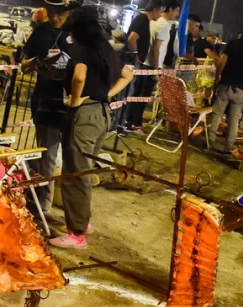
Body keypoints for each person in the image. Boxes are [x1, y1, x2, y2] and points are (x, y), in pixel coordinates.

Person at [49, 6, 133, 249]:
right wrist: (105, 94)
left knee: (74, 173)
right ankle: (82, 222)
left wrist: (74, 101)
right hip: (102, 115)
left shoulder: (81, 51)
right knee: (84, 172)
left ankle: (76, 234)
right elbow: (127, 75)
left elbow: (78, 77)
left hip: (84, 116)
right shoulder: (106, 49)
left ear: (78, 31)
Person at [21, 0, 76, 216]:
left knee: (73, 157)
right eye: (52, 13)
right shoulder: (41, 32)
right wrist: (35, 63)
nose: (55, 18)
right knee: (47, 154)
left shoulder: (76, 33)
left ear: (69, 12)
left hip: (72, 102)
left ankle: (73, 209)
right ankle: (42, 205)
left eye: (60, 14)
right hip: (45, 101)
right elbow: (23, 64)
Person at [125, 0, 180, 131]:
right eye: (177, 10)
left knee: (136, 95)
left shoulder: (152, 22)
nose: (177, 14)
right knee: (142, 97)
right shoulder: (163, 25)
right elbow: (156, 48)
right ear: (170, 9)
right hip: (151, 65)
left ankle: (129, 120)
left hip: (144, 63)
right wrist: (156, 70)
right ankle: (136, 123)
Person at [207, 22, 243, 149]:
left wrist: (216, 79)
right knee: (234, 118)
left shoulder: (232, 43)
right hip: (241, 90)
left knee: (217, 114)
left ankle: (210, 139)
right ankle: (230, 144)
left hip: (226, 84)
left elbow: (222, 62)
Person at [123, 0, 164, 130]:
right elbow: (132, 38)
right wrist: (136, 55)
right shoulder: (142, 19)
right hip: (131, 62)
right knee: (128, 92)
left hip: (133, 61)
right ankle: (122, 124)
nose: (161, 15)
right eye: (161, 11)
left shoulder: (144, 20)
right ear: (155, 10)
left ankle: (125, 123)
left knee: (132, 92)